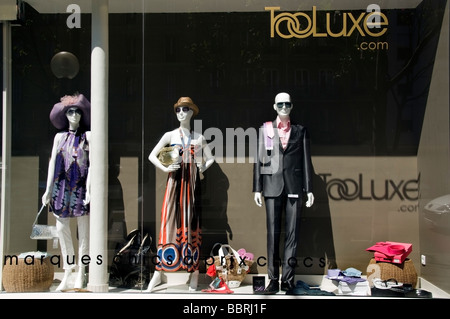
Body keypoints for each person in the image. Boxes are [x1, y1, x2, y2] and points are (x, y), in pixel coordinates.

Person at [146, 97, 215, 292]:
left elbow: (210, 159)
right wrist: (165, 168)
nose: (181, 113)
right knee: (168, 222)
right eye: (178, 110)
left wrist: (202, 167)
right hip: (174, 184)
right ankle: (159, 271)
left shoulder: (198, 138)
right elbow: (152, 155)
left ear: (192, 112)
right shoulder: (170, 135)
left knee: (191, 224)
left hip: (191, 188)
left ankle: (193, 272)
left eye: (185, 109)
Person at [252, 92, 314, 294]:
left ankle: (288, 280)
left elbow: (306, 161)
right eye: (280, 104)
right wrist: (257, 188)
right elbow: (259, 160)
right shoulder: (266, 129)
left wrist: (309, 189)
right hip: (271, 185)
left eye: (287, 104)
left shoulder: (300, 130)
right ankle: (272, 280)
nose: (284, 107)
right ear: (275, 106)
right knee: (273, 234)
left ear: (292, 106)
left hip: (294, 187)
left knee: (292, 235)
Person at [42, 93, 91, 291]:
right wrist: (47, 190)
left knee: (84, 232)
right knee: (62, 229)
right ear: (65, 115)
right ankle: (69, 269)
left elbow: (93, 164)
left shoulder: (88, 136)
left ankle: (82, 271)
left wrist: (89, 189)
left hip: (80, 187)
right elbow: (52, 163)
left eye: (78, 111)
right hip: (61, 187)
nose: (74, 114)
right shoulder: (59, 137)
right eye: (70, 111)